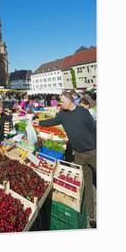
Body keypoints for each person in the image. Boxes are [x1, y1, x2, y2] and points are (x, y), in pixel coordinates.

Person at [35, 91, 96, 226]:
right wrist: (39, 122)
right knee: (86, 183)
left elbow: (94, 129)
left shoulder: (83, 112)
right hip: (78, 154)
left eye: (62, 101)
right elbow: (52, 121)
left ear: (70, 100)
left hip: (92, 152)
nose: (60, 104)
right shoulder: (62, 115)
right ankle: (91, 215)